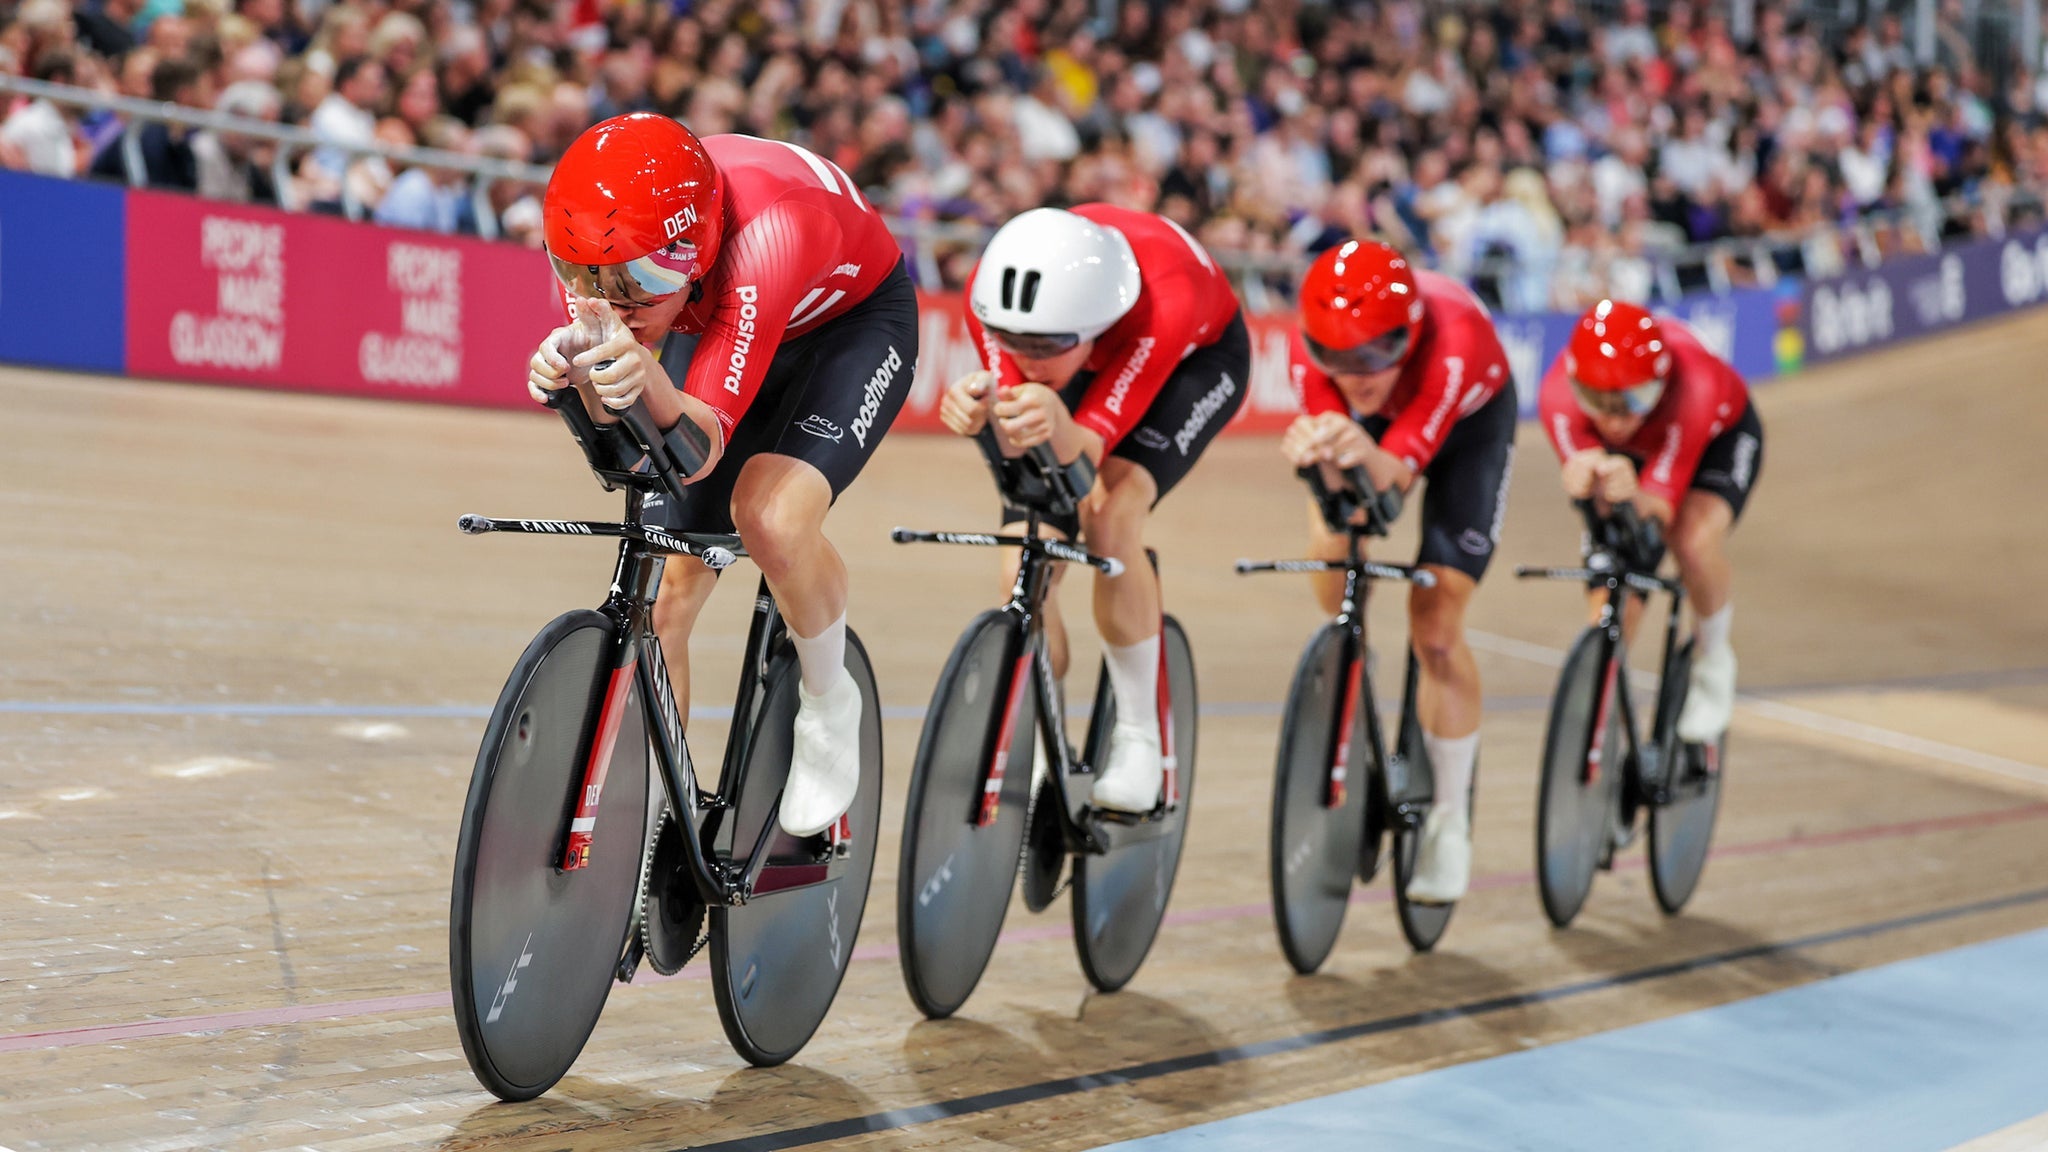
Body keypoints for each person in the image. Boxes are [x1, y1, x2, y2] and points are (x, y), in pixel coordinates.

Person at [526, 113, 916, 837]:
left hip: (848, 328)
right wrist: (574, 377)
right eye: (585, 279)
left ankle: (830, 701)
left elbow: (698, 448)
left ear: (692, 255)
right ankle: (660, 820)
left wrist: (649, 384)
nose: (611, 304)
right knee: (669, 592)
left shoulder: (760, 238)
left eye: (638, 284)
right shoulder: (607, 252)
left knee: (770, 516)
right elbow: (636, 459)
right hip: (730, 321)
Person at [938, 205, 1248, 814]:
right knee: (1021, 564)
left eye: (1045, 345)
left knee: (1110, 511)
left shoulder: (1165, 305)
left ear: (1093, 326)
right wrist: (978, 410)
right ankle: (1039, 724)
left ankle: (1139, 739)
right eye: (1013, 342)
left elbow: (1086, 455)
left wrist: (1059, 420)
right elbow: (1016, 425)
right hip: (1089, 346)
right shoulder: (994, 293)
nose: (1028, 359)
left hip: (1190, 360)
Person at [1280, 238, 1517, 906]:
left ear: (1408, 335)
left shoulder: (1453, 341)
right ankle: (1357, 663)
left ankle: (1448, 818)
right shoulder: (1314, 356)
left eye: (1375, 353)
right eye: (1336, 357)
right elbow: (1342, 472)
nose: (1356, 374)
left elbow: (1397, 476)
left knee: (1436, 621)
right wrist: (1318, 458)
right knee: (1334, 566)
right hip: (1382, 430)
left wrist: (1358, 450)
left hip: (1465, 432)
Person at [1537, 300, 1764, 745]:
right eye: (1598, 402)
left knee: (1690, 541)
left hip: (1714, 440)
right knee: (1613, 591)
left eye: (1633, 399)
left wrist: (1635, 490)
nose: (1616, 419)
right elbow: (1604, 512)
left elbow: (1660, 508)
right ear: (1576, 385)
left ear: (1659, 383)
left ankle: (1714, 660)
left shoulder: (1693, 384)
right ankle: (1600, 712)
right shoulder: (1557, 397)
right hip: (1641, 456)